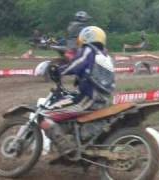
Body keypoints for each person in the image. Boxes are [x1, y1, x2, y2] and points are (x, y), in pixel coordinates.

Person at [45, 26, 115, 155]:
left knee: (46, 115)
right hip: (104, 99)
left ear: (87, 37)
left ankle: (67, 149)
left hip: (89, 99)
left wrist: (60, 71)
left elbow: (78, 64)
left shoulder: (88, 49)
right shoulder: (105, 56)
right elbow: (89, 71)